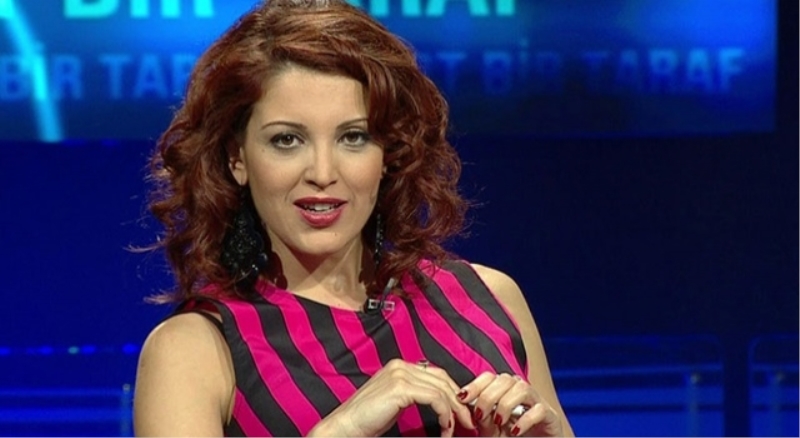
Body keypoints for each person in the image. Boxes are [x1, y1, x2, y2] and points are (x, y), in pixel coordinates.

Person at [133, 0, 574, 436]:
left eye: (354, 137)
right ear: (237, 158)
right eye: (287, 140)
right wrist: (342, 429)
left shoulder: (487, 298)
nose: (323, 173)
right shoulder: (191, 351)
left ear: (388, 154)